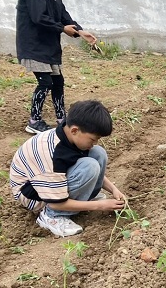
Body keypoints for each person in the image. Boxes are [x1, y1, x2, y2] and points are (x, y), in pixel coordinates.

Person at [10, 100, 126, 237]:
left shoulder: (68, 136)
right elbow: (56, 203)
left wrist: (114, 189)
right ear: (75, 130)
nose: (94, 143)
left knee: (98, 153)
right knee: (90, 166)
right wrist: (100, 206)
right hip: (35, 197)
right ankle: (51, 217)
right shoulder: (50, 153)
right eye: (92, 139)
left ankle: (84, 199)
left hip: (50, 184)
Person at [16, 0, 98, 135]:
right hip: (34, 46)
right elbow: (39, 18)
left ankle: (62, 118)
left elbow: (63, 15)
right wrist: (62, 29)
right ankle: (34, 120)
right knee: (45, 82)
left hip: (48, 46)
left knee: (58, 81)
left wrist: (79, 30)